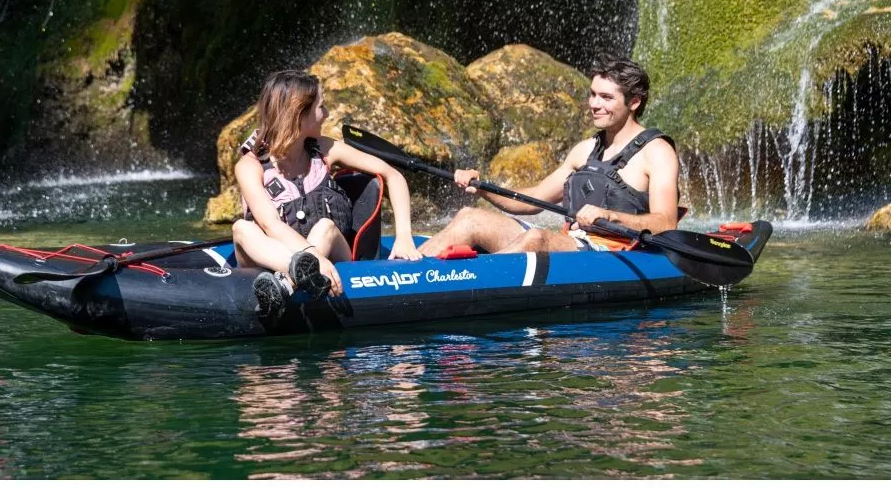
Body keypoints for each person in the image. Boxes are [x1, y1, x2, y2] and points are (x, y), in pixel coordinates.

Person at [417, 54, 679, 257]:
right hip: (574, 242)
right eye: (592, 94)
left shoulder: (657, 152)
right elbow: (532, 200)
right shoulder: (585, 149)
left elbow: (666, 223)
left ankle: (468, 285)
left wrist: (612, 216)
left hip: (614, 252)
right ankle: (405, 273)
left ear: (634, 102)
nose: (594, 104)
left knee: (537, 239)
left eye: (606, 97)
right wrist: (482, 188)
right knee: (469, 217)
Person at [233, 70, 421, 318]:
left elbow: (393, 175)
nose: (328, 113)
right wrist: (312, 256)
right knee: (242, 229)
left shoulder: (326, 150)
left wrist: (404, 236)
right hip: (270, 261)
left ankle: (289, 284)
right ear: (299, 114)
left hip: (331, 251)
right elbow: (271, 225)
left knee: (325, 227)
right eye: (321, 107)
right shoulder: (250, 166)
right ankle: (298, 272)